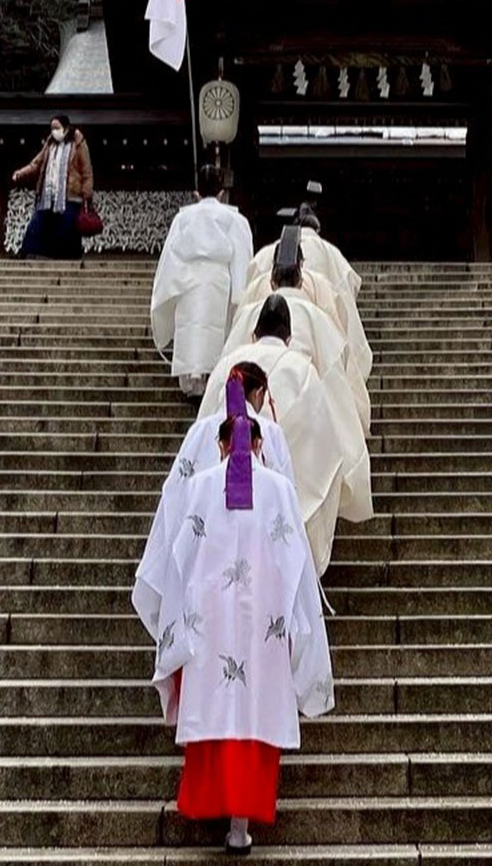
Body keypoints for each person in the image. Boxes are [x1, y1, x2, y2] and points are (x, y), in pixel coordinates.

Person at [140, 368, 335, 855]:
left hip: (211, 626)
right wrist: (301, 629)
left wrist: (177, 621)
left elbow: (178, 558)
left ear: (222, 444)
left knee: (214, 706)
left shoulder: (201, 487)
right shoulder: (281, 492)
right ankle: (241, 825)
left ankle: (218, 812)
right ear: (257, 443)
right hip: (262, 629)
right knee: (256, 712)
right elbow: (296, 565)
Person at [197, 295, 371, 572]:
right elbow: (323, 440)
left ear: (254, 335)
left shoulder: (228, 363)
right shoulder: (303, 370)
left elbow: (205, 426)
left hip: (228, 486)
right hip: (281, 488)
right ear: (289, 338)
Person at [135, 361, 296, 632]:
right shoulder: (271, 434)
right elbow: (287, 506)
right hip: (260, 558)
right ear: (258, 394)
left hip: (205, 557)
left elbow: (175, 493)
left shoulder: (200, 432)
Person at [226, 229, 366, 430]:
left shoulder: (250, 311)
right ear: (301, 279)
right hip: (304, 403)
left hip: (250, 405)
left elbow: (228, 359)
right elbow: (335, 366)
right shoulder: (319, 315)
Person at [152, 164, 255, 397]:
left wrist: (169, 288)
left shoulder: (183, 218)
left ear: (196, 193)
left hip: (188, 279)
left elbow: (171, 256)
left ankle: (191, 382)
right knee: (216, 329)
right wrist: (240, 291)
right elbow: (241, 255)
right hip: (219, 279)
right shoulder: (234, 219)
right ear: (221, 192)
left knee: (191, 328)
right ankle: (214, 381)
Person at [11, 115, 93, 260]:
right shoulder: (50, 145)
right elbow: (36, 163)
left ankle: (69, 258)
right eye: (52, 128)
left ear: (66, 128)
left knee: (67, 229)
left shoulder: (78, 143)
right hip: (48, 195)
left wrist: (87, 194)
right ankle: (28, 253)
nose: (54, 131)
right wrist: (20, 173)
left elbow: (86, 171)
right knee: (37, 223)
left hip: (71, 195)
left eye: (57, 128)